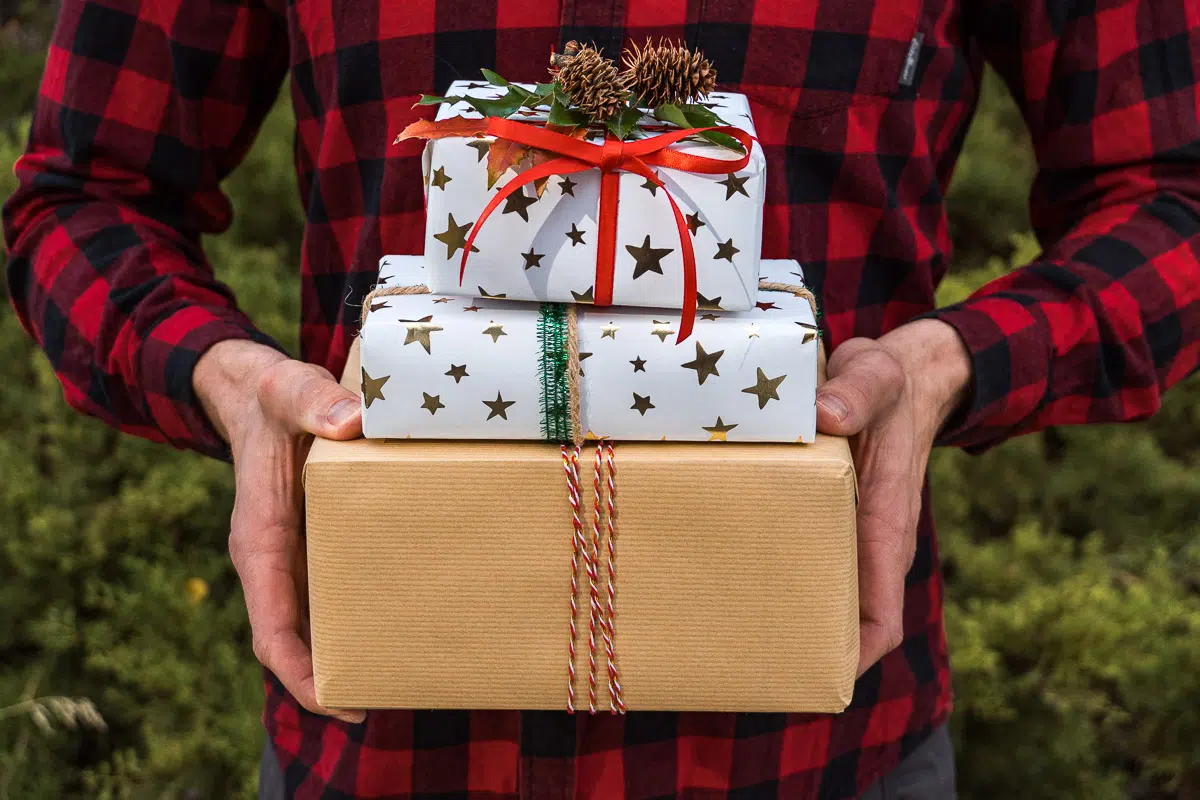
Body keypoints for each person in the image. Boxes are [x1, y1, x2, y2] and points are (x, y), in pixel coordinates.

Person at [5, 0, 1198, 797]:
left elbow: (1171, 192)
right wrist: (230, 380)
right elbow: (88, 189)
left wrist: (947, 361)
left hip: (830, 746)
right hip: (382, 738)